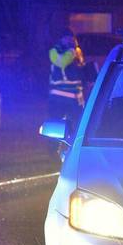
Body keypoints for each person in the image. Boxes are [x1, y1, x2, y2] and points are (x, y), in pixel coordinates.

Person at [47, 28, 85, 156]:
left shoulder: (76, 51)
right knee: (55, 126)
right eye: (67, 37)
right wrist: (72, 51)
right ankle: (53, 151)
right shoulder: (55, 51)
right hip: (58, 96)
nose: (70, 40)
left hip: (75, 97)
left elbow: (80, 70)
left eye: (71, 37)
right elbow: (62, 63)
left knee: (78, 125)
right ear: (61, 39)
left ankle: (73, 151)